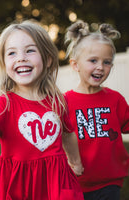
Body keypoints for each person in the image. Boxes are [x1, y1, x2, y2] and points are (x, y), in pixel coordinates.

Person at [0, 20, 84, 200]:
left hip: (58, 181)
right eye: (12, 53)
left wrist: (75, 162)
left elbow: (67, 134)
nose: (21, 57)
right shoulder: (4, 103)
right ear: (4, 64)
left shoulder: (58, 101)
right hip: (21, 187)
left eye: (30, 50)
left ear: (48, 59)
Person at [64, 20, 129, 200]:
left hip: (110, 181)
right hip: (75, 180)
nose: (100, 67)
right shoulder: (65, 102)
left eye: (106, 62)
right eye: (93, 61)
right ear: (75, 64)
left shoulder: (115, 99)